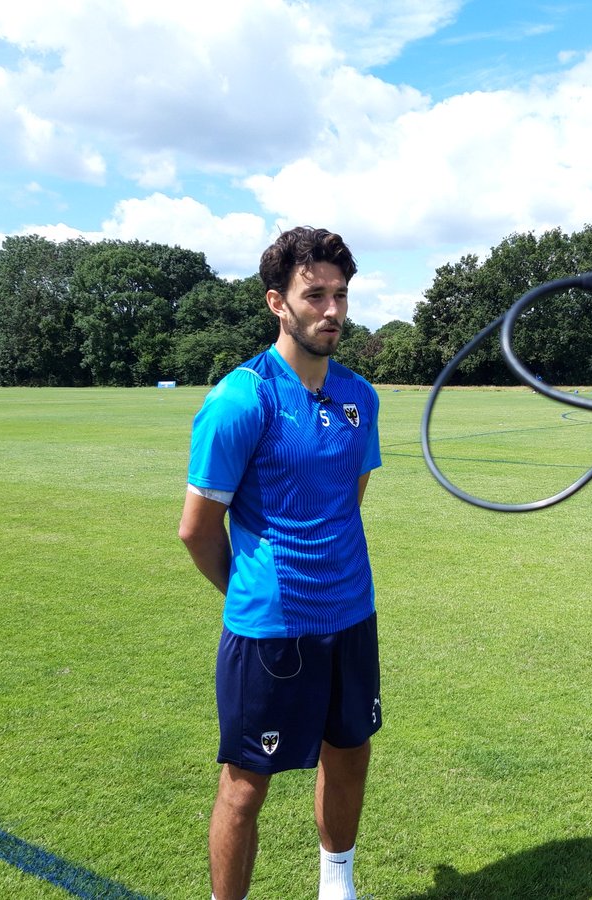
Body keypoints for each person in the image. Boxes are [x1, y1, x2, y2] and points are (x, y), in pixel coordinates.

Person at [179, 226, 382, 900]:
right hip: (270, 628)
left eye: (340, 295)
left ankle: (337, 885)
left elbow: (349, 502)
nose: (331, 310)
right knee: (244, 786)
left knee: (350, 754)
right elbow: (197, 531)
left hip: (351, 614)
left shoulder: (361, 396)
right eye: (314, 294)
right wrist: (250, 591)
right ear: (277, 302)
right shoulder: (241, 398)